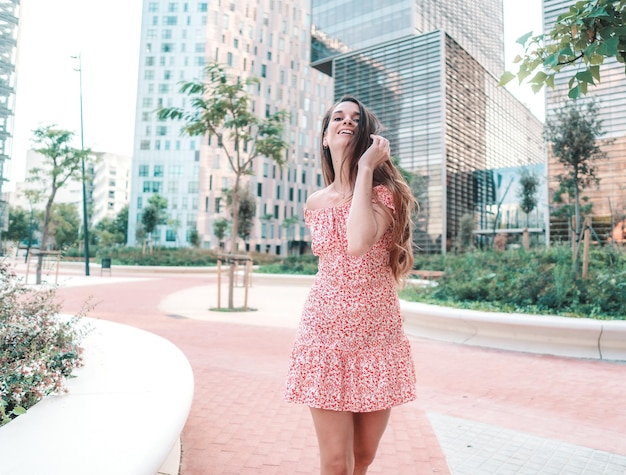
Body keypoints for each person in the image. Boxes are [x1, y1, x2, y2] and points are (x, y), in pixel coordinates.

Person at [285, 96, 418, 474]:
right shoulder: (315, 202)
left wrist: (363, 172)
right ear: (325, 137)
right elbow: (346, 252)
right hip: (324, 337)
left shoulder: (382, 193)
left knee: (363, 457)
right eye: (337, 118)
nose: (346, 122)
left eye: (356, 119)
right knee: (335, 462)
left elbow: (358, 241)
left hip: (377, 338)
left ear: (367, 135)